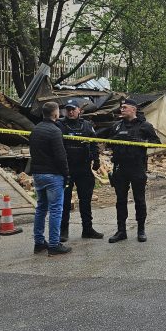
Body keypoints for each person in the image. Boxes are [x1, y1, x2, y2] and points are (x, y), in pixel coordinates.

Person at [106, 98, 161, 243]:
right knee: (120, 200)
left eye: (125, 107)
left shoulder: (145, 126)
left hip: (137, 167)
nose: (122, 109)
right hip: (120, 168)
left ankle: (141, 230)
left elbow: (157, 142)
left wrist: (143, 143)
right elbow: (108, 143)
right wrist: (113, 142)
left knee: (139, 200)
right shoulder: (117, 126)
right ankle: (121, 231)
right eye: (121, 107)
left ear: (133, 109)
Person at [29, 101, 71, 256]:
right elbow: (61, 156)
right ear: (55, 113)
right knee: (55, 210)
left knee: (41, 208)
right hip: (53, 175)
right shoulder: (55, 131)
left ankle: (39, 243)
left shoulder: (35, 129)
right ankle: (54, 244)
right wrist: (66, 174)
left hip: (38, 174)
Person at [57, 101, 103, 242]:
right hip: (66, 170)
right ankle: (63, 231)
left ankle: (87, 229)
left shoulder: (87, 125)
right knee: (65, 201)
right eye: (68, 109)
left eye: (73, 109)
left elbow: (94, 143)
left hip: (84, 168)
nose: (70, 112)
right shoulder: (59, 125)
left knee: (85, 201)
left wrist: (96, 160)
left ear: (79, 110)